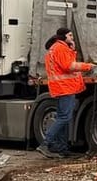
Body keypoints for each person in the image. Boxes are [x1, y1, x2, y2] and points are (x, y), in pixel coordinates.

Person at [40, 27, 93, 156]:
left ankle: (61, 148)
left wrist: (72, 49)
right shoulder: (61, 48)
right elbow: (69, 66)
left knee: (62, 117)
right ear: (63, 36)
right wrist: (88, 66)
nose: (72, 38)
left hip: (61, 87)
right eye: (70, 36)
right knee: (64, 117)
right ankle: (46, 143)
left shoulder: (55, 48)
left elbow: (65, 63)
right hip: (65, 88)